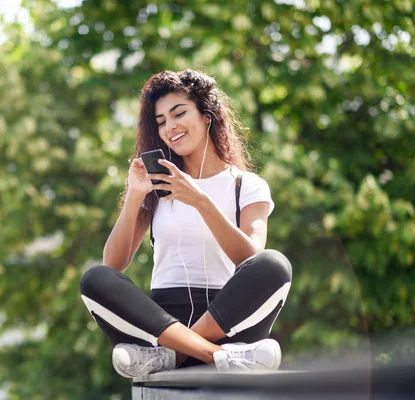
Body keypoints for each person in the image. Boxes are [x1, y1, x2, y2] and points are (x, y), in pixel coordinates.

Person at [80, 69, 292, 378]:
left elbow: (249, 258)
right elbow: (113, 264)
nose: (170, 127)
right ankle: (213, 355)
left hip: (226, 320)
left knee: (274, 264)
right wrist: (135, 196)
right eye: (161, 121)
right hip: (161, 325)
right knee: (95, 279)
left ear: (207, 115)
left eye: (179, 113)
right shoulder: (156, 188)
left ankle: (173, 357)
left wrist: (199, 199)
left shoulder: (247, 186)